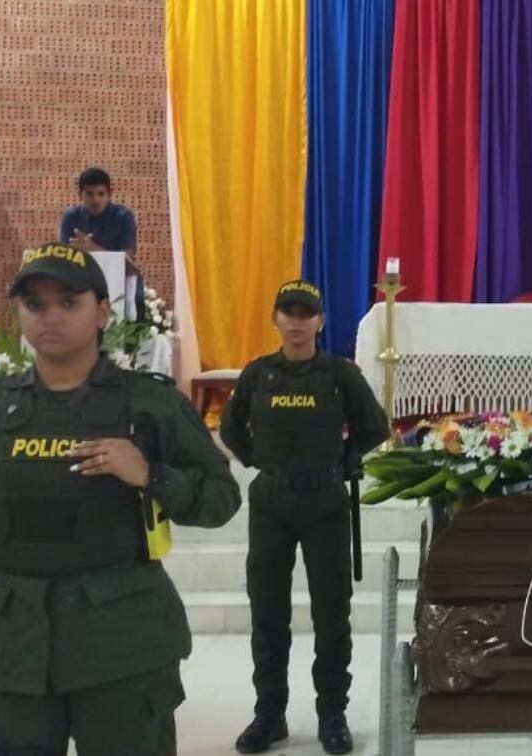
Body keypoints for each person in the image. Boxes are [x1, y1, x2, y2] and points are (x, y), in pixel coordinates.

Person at [0, 242, 241, 755]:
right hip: (9, 649)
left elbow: (220, 499)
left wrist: (149, 474)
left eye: (68, 302)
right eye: (34, 303)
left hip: (122, 646)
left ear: (101, 311)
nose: (50, 316)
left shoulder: (149, 406)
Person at [220, 279, 389, 755]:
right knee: (267, 613)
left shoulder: (340, 375)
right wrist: (259, 461)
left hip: (325, 502)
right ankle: (268, 715)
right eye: (288, 313)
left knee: (331, 614)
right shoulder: (257, 375)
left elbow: (375, 427)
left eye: (305, 314)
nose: (296, 322)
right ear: (275, 320)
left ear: (320, 321)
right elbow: (231, 428)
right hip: (271, 502)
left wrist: (344, 460)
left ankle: (332, 714)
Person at [59, 167, 138, 255]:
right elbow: (62, 256)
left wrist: (93, 249)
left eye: (101, 194)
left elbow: (127, 259)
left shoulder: (124, 217)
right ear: (80, 194)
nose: (96, 200)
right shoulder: (70, 216)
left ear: (109, 194)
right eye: (89, 194)